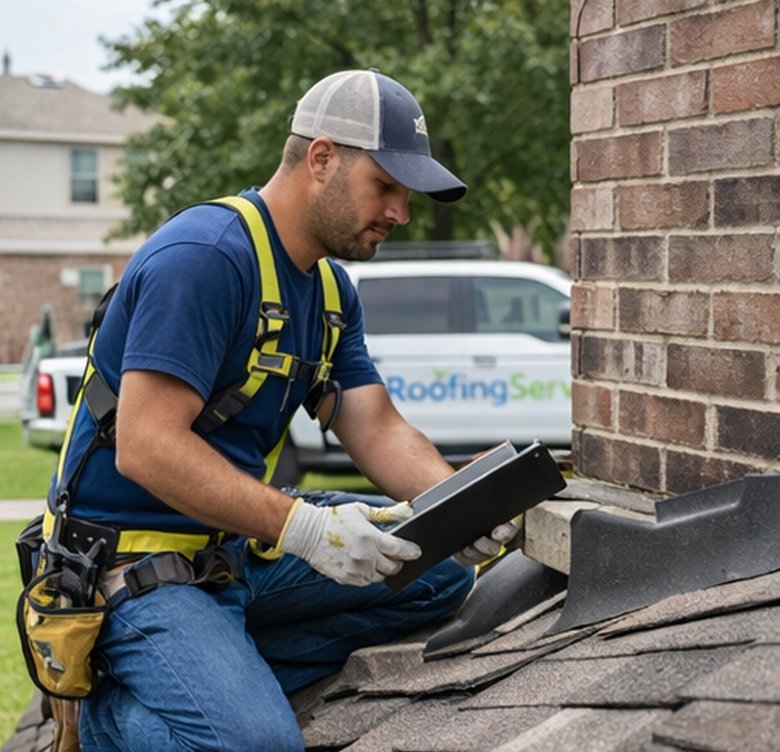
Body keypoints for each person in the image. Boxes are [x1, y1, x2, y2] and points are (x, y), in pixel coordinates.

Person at [47, 69, 517, 751]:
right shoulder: (206, 259)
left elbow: (375, 425)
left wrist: (455, 502)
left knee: (434, 571)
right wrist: (306, 530)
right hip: (132, 568)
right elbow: (145, 445)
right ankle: (107, 716)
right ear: (322, 159)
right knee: (257, 745)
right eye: (385, 187)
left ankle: (216, 674)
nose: (400, 213)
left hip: (230, 553)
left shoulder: (329, 292)